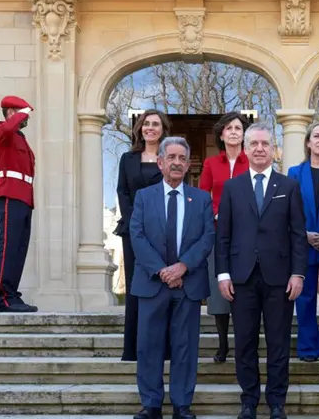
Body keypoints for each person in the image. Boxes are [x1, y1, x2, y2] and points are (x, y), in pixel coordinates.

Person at [215, 123, 307, 419]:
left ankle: (277, 401)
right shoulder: (232, 188)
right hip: (240, 278)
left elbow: (297, 234)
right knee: (244, 343)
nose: (259, 148)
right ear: (245, 148)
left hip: (280, 278)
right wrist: (223, 274)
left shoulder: (289, 187)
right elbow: (223, 236)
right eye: (253, 143)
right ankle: (249, 401)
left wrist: (298, 273)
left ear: (273, 149)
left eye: (265, 144)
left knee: (278, 343)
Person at [129, 136, 215, 419]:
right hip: (152, 283)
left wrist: (183, 267)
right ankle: (151, 405)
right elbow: (137, 236)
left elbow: (207, 237)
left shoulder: (201, 199)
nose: (177, 163)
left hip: (188, 284)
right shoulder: (144, 196)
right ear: (161, 162)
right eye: (172, 157)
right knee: (149, 346)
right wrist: (163, 271)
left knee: (185, 347)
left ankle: (181, 404)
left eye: (182, 158)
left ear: (188, 164)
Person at [115, 109, 170, 362]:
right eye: (146, 123)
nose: (150, 128)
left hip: (163, 231)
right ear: (139, 128)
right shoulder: (128, 158)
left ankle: (163, 347)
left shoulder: (168, 158)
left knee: (161, 287)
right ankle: (133, 348)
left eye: (155, 124)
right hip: (134, 231)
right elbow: (123, 192)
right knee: (137, 287)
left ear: (163, 129)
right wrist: (134, 222)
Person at [198, 112, 250, 363]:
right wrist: (215, 216)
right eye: (228, 128)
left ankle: (243, 342)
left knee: (243, 286)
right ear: (221, 134)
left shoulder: (251, 160)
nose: (233, 132)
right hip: (218, 232)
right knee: (219, 289)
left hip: (246, 234)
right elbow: (202, 196)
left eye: (238, 128)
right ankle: (222, 344)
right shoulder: (211, 164)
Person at [287, 122, 319, 363]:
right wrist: (305, 234)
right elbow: (289, 211)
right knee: (304, 298)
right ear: (308, 142)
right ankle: (307, 348)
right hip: (303, 243)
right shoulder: (294, 173)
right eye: (316, 136)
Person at [0, 95, 38, 313]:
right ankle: (2, 297)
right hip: (9, 193)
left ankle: (12, 294)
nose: (26, 119)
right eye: (23, 114)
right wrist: (21, 114)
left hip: (24, 196)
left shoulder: (20, 137)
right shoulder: (2, 130)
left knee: (19, 249)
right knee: (8, 247)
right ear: (11, 113)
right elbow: (8, 129)